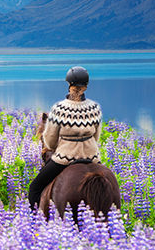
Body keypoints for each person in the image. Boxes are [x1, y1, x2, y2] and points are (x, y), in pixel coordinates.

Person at [27, 66, 102, 209]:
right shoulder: (95, 108)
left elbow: (49, 140)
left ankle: (36, 222)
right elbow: (96, 137)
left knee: (35, 188)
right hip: (92, 157)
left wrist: (58, 147)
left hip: (65, 158)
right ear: (86, 86)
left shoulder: (59, 109)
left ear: (69, 85)